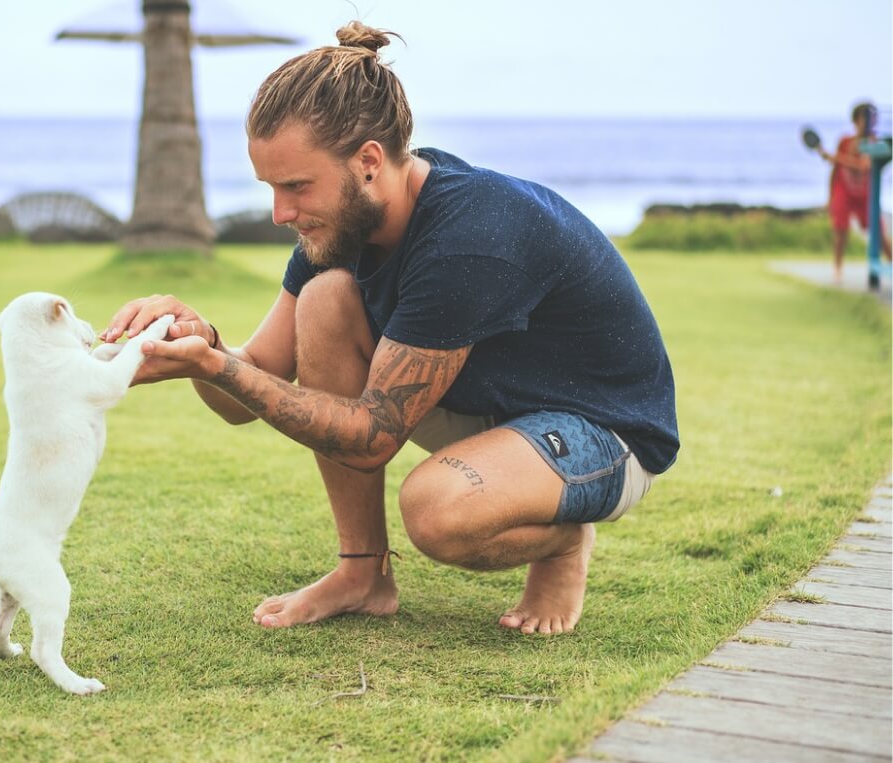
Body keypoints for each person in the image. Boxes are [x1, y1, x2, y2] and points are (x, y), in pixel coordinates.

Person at [101, 22, 679, 635]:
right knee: (323, 300)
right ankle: (363, 574)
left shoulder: (469, 235)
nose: (280, 214)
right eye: (271, 188)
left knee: (437, 513)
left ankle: (561, 544)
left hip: (602, 433)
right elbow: (253, 385)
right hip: (487, 409)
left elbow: (374, 434)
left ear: (369, 162)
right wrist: (203, 341)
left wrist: (216, 366)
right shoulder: (339, 227)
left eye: (296, 186)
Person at [815, 101, 891, 283]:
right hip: (844, 191)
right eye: (865, 118)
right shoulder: (845, 141)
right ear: (856, 120)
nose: (869, 122)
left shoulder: (873, 142)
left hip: (866, 193)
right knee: (840, 230)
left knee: (879, 233)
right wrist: (830, 195)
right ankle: (837, 269)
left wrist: (835, 157)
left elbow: (864, 166)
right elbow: (835, 171)